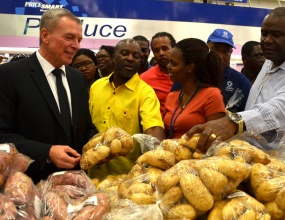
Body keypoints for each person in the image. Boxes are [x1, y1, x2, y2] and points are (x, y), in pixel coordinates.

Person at [186, 7, 285, 151]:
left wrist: (235, 122)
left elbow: (284, 109)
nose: (267, 40)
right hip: (258, 158)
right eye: (264, 34)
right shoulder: (271, 61)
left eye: (276, 34)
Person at [0, 8, 98, 183]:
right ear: (45, 35)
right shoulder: (9, 75)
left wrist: (99, 145)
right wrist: (46, 152)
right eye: (69, 37)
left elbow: (85, 127)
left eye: (79, 40)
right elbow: (2, 135)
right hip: (26, 186)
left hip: (72, 185)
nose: (76, 45)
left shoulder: (77, 79)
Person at [88, 38, 165, 179]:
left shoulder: (145, 92)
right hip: (92, 172)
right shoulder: (96, 87)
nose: (130, 59)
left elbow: (155, 134)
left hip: (125, 178)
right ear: (113, 58)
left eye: (136, 56)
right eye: (124, 53)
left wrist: (154, 142)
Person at [164, 38, 225, 138]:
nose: (168, 66)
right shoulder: (171, 96)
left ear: (190, 67)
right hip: (169, 152)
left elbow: (216, 140)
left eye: (173, 63)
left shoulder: (212, 95)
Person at [140, 32, 176, 114]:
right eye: (156, 50)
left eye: (165, 48)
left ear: (174, 48)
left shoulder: (187, 75)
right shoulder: (145, 79)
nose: (161, 53)